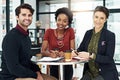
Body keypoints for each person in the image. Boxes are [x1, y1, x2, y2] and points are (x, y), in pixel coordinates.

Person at [0, 3, 57, 80]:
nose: (27, 18)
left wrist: (37, 71)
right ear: (17, 17)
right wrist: (35, 75)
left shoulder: (26, 37)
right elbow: (14, 68)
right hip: (11, 77)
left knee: (53, 79)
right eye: (24, 15)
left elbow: (26, 61)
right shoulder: (11, 37)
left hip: (25, 73)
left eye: (29, 15)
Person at [72, 6, 119, 80]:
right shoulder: (88, 33)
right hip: (89, 72)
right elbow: (80, 49)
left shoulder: (110, 35)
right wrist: (75, 52)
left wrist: (91, 55)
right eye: (96, 17)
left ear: (105, 20)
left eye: (102, 18)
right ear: (93, 17)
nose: (98, 20)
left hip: (104, 73)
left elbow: (109, 58)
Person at [41, 7, 75, 80]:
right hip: (54, 64)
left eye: (64, 21)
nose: (61, 23)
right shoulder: (49, 32)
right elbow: (43, 51)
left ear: (68, 22)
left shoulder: (70, 31)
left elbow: (73, 50)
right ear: (56, 20)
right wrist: (50, 54)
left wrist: (65, 54)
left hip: (67, 65)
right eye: (59, 20)